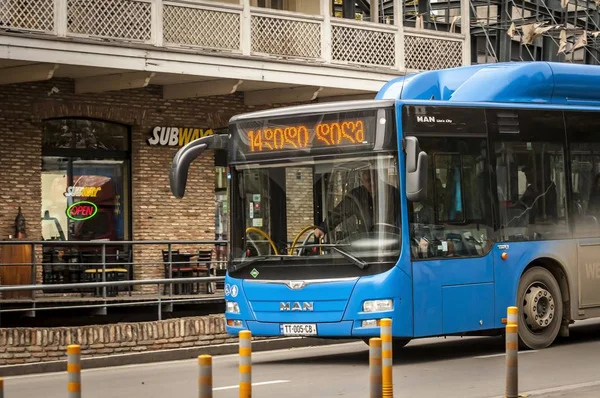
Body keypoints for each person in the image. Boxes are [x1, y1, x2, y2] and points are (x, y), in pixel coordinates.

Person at [314, 169, 399, 239]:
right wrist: (323, 228)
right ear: (362, 181)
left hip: (390, 242)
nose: (372, 183)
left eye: (374, 179)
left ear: (378, 177)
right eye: (368, 180)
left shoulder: (392, 193)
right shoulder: (356, 196)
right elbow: (338, 213)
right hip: (365, 243)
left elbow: (405, 216)